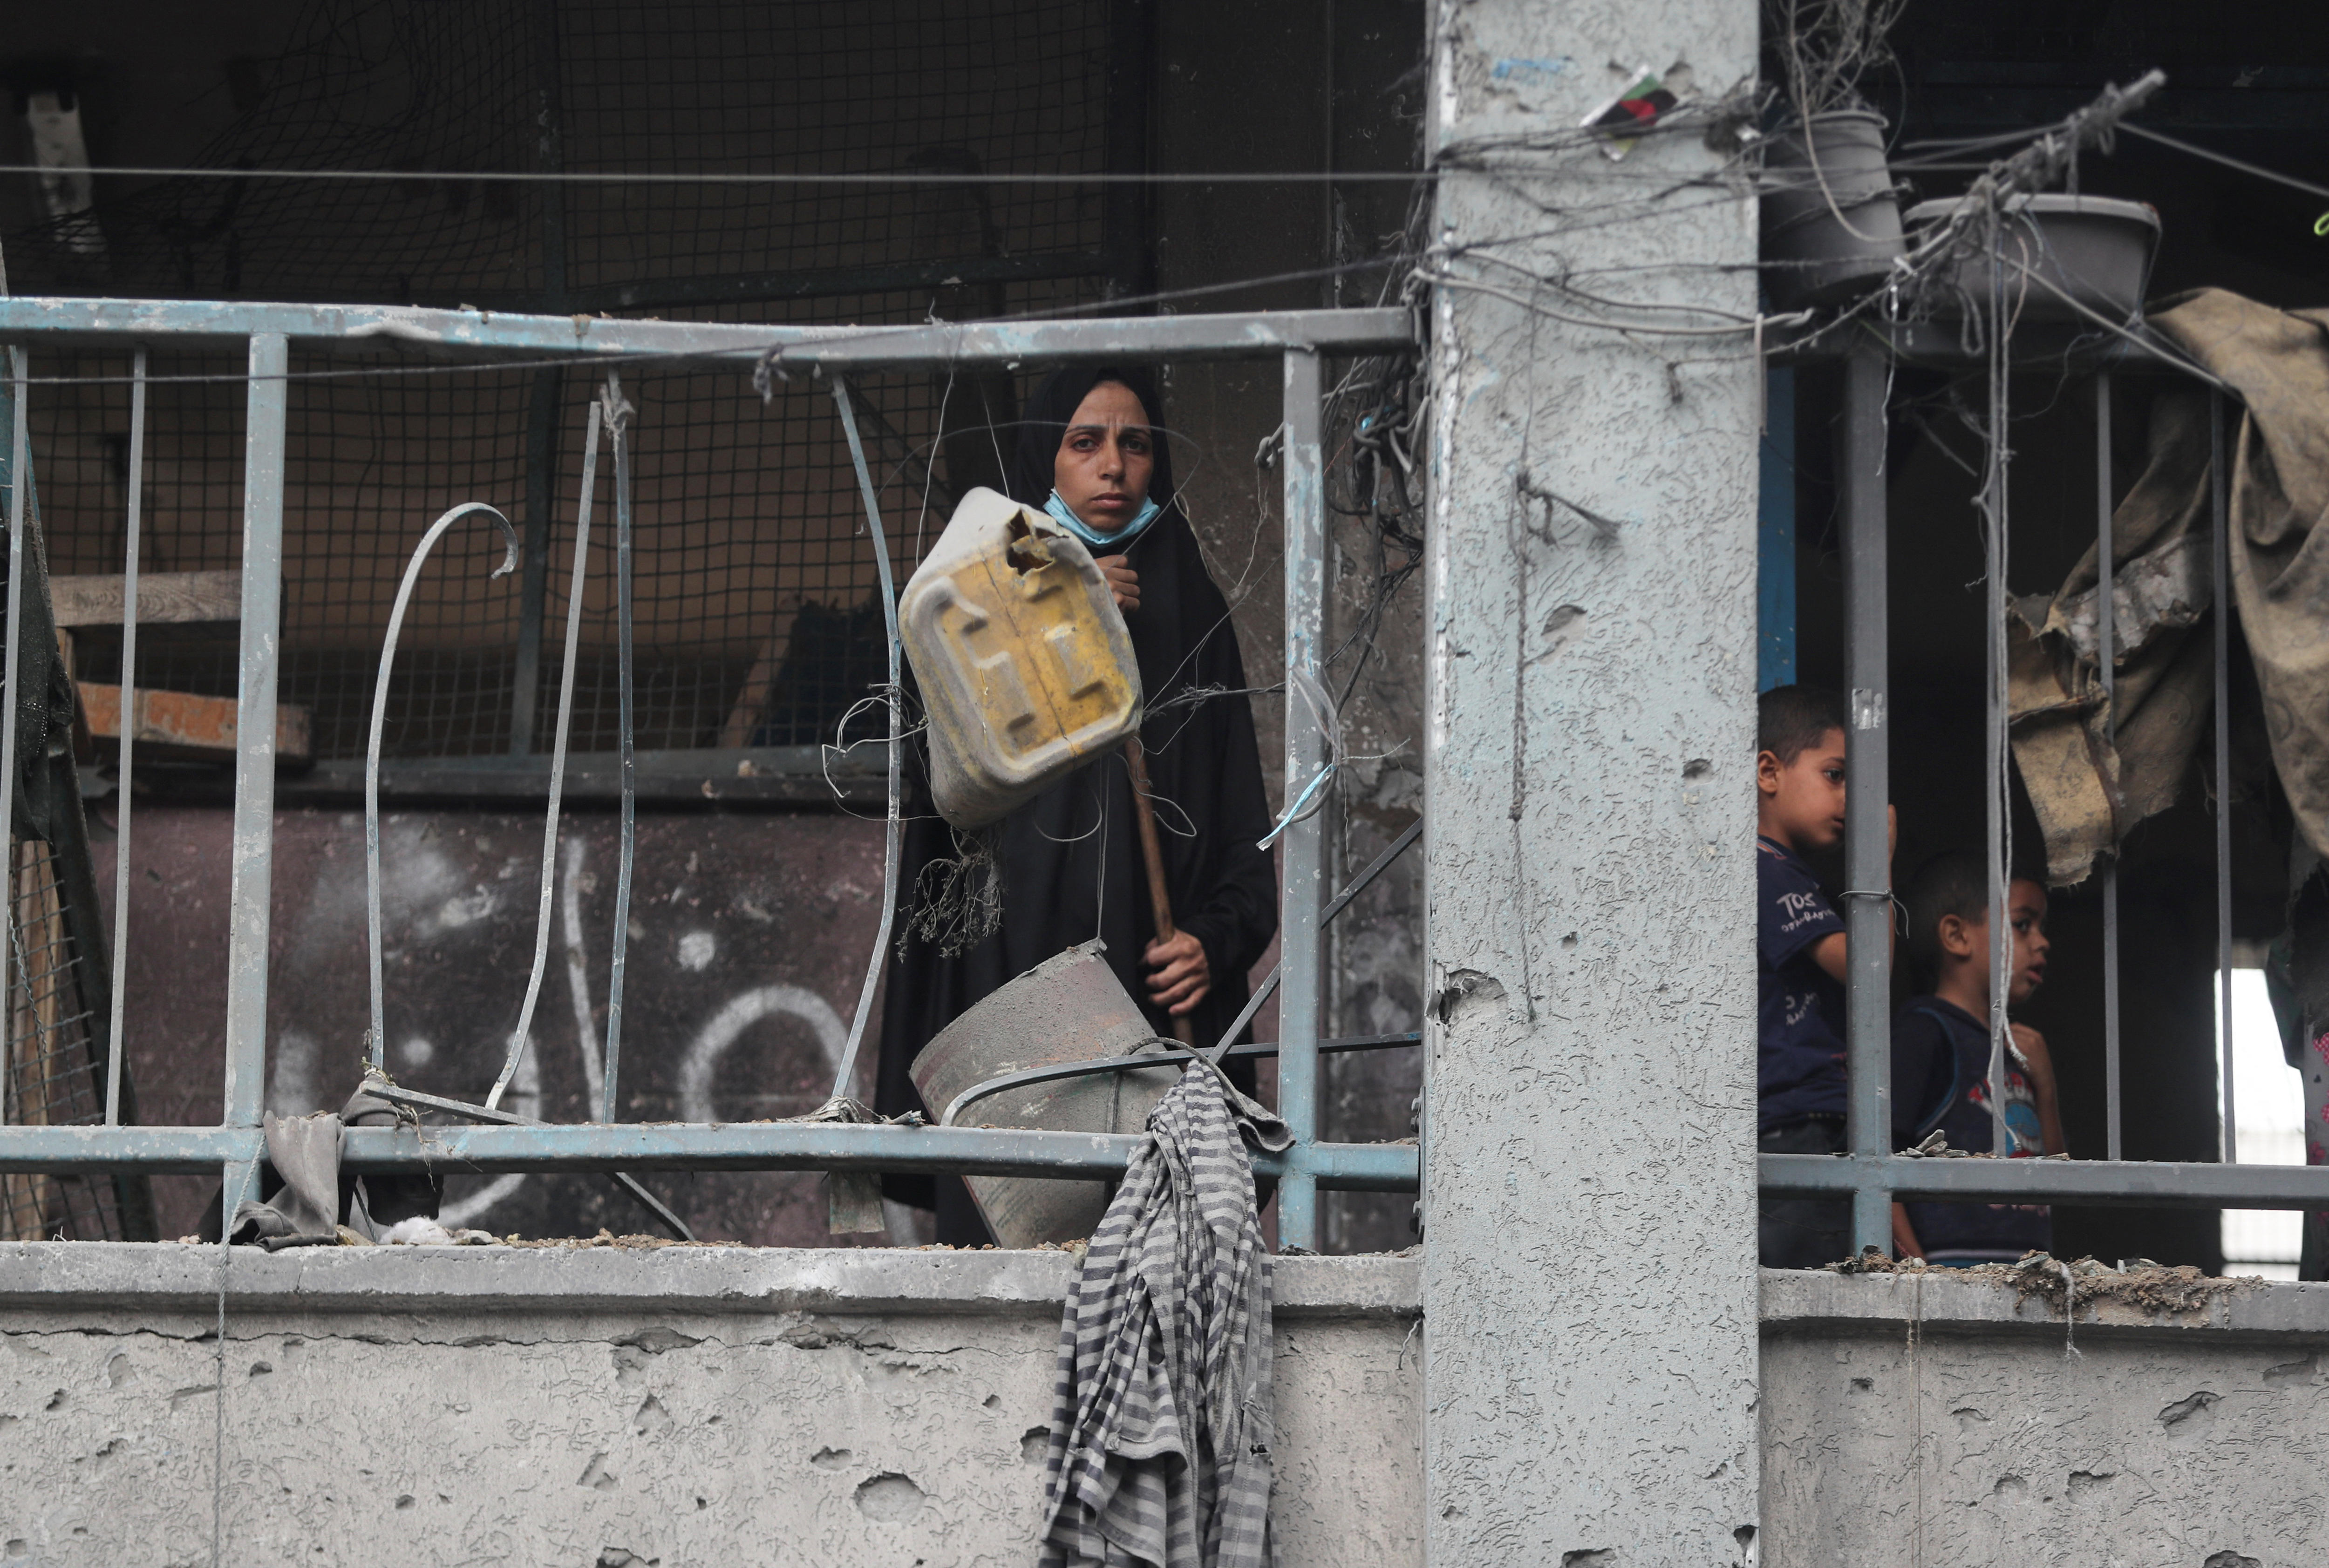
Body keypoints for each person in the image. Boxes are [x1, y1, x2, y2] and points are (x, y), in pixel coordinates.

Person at [875, 365, 1279, 1244]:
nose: (1113, 468)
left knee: (1155, 1245)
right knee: (1011, 1240)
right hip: (1009, 967)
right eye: (1084, 443)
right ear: (1045, 460)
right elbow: (951, 796)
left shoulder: (1193, 607)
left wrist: (1213, 940)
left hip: (1147, 981)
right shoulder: (978, 594)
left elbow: (1241, 821)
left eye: (1135, 445)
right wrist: (1070, 613)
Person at [1756, 684, 1893, 1269]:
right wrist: (1880, 859)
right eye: (1834, 775)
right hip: (1795, 1125)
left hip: (1805, 1122)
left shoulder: (1785, 872)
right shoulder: (1767, 870)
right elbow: (1867, 965)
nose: (1851, 799)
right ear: (1769, 772)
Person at [1889, 853, 2065, 1265]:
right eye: (2023, 924)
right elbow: (1876, 1164)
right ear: (1956, 935)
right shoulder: (1926, 1031)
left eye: (2041, 927)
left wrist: (2047, 1091)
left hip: (2029, 1277)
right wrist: (1920, 1271)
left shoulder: (2020, 1047)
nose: (2042, 941)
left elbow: (2058, 1181)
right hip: (1951, 1273)